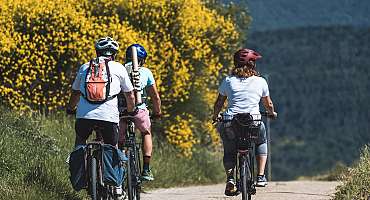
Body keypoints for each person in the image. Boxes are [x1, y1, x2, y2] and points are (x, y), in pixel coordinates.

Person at [212, 48, 277, 196]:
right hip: (253, 122)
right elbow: (269, 105)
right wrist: (271, 113)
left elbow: (218, 103)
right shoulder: (261, 81)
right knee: (261, 141)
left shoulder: (228, 80)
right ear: (252, 64)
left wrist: (215, 116)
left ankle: (230, 179)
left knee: (229, 150)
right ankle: (260, 176)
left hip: (230, 122)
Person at [66, 36, 136, 147]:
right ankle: (111, 163)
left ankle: (77, 161)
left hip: (84, 116)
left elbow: (75, 93)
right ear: (114, 54)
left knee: (80, 141)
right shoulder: (119, 68)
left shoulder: (84, 67)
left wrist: (70, 108)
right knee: (112, 148)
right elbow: (130, 95)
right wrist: (131, 111)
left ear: (97, 52)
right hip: (109, 117)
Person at [117, 44, 162, 181]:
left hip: (121, 111)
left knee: (119, 140)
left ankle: (118, 167)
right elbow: (155, 97)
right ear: (143, 60)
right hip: (139, 110)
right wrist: (157, 112)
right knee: (146, 132)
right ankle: (146, 169)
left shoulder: (120, 69)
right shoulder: (146, 72)